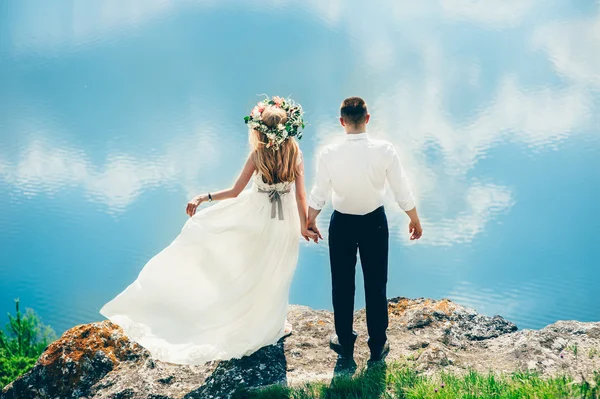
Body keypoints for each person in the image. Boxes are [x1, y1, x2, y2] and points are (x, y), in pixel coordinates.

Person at [100, 96, 316, 365]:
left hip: (256, 220)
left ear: (260, 131)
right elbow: (300, 197)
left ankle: (255, 324)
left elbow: (236, 191)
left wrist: (205, 196)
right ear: (287, 128)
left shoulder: (257, 155)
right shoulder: (296, 154)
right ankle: (272, 325)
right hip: (285, 224)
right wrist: (306, 225)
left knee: (254, 271)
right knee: (277, 273)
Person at [307, 96, 423, 365]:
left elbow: (319, 193)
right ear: (367, 119)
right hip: (375, 223)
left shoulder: (328, 153)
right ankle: (377, 345)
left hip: (342, 224)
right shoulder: (385, 150)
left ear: (341, 122)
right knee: (376, 283)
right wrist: (413, 218)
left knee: (342, 285)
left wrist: (309, 220)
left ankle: (345, 344)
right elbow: (401, 188)